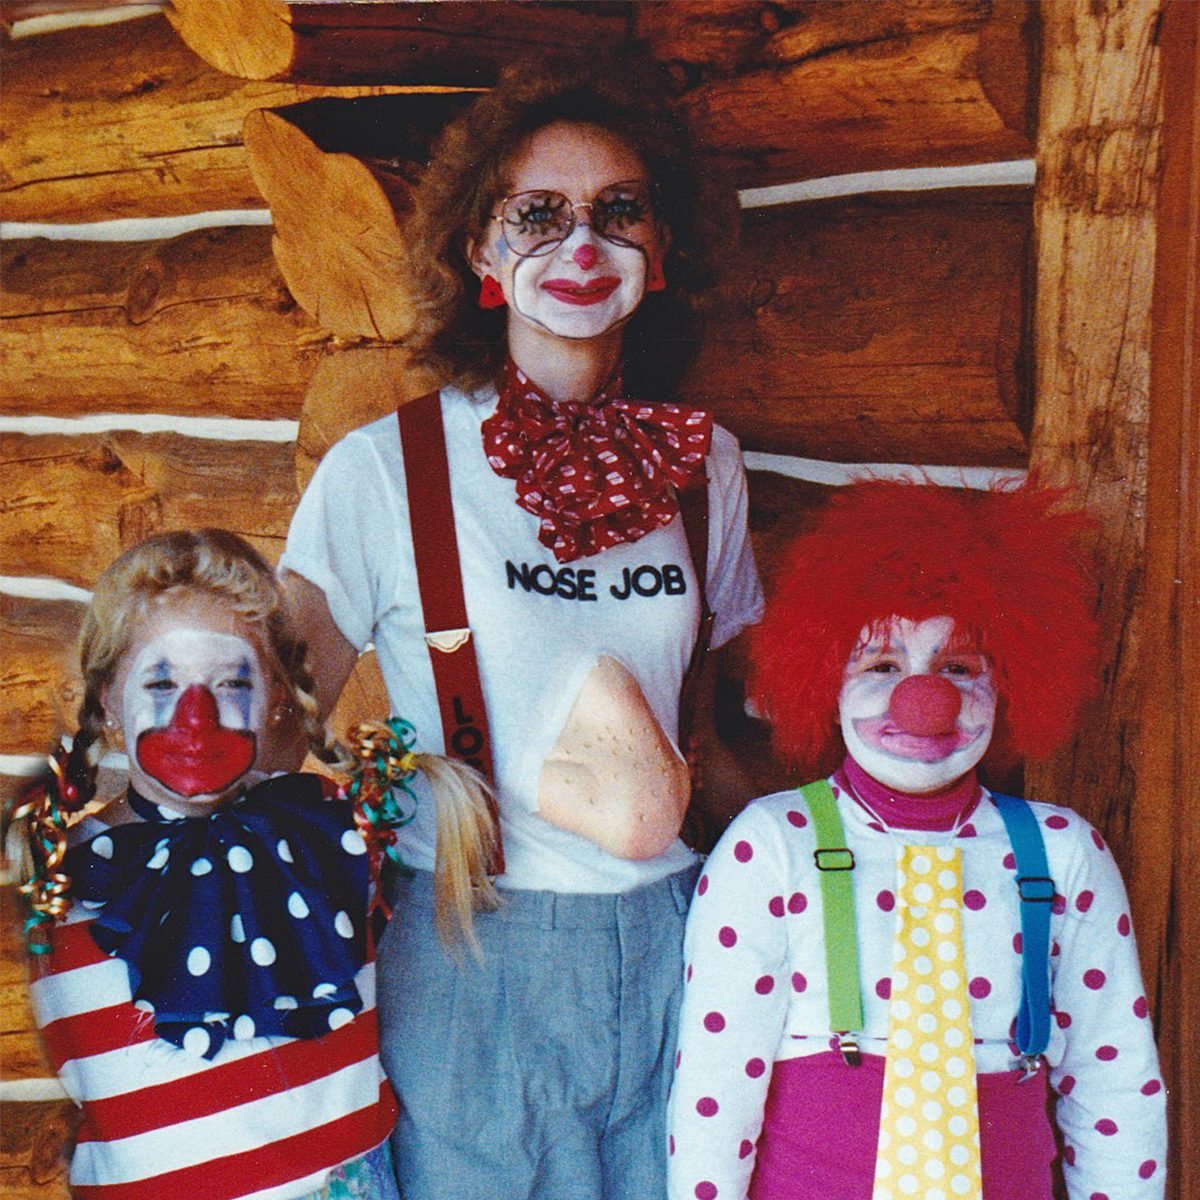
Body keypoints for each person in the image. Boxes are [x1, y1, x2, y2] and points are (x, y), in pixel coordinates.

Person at [281, 51, 764, 1200]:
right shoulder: (386, 469)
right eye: (537, 216)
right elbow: (273, 707)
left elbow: (735, 719)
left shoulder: (709, 470)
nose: (581, 248)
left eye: (618, 213)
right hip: (468, 952)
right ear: (482, 254)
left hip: (678, 947)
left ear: (664, 249)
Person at [667, 480, 1166, 1200]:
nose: (923, 699)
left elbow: (1116, 1085)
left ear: (1011, 683)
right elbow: (716, 1084)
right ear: (824, 685)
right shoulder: (772, 844)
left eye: (959, 667)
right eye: (881, 667)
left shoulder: (1062, 853)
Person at [9, 529, 496, 1200]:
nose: (196, 715)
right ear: (106, 707)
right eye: (160, 681)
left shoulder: (330, 832)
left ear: (275, 698)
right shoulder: (65, 879)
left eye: (231, 681)